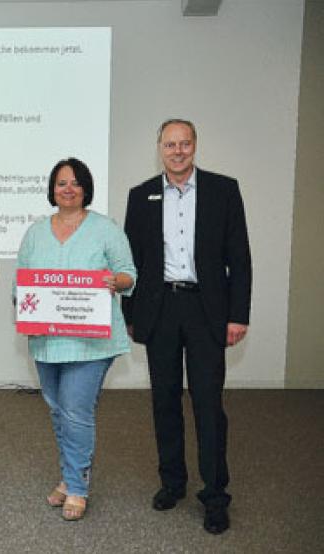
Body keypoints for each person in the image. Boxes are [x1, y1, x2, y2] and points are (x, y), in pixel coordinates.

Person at [122, 119, 251, 535]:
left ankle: (215, 495)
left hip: (205, 311)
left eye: (185, 144)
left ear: (195, 146)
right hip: (160, 311)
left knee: (208, 405)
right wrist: (130, 314)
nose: (177, 151)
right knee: (164, 401)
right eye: (170, 144)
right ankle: (172, 482)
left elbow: (240, 258)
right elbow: (132, 262)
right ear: (159, 147)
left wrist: (238, 314)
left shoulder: (223, 190)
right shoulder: (140, 195)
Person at [16, 158, 136, 521]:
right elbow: (20, 282)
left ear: (86, 188)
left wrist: (115, 282)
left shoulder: (106, 229)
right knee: (57, 408)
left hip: (92, 341)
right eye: (60, 183)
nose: (68, 189)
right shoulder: (35, 232)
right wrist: (24, 309)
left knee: (76, 410)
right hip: (47, 340)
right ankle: (69, 477)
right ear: (52, 189)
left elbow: (129, 274)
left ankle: (78, 486)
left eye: (75, 182)